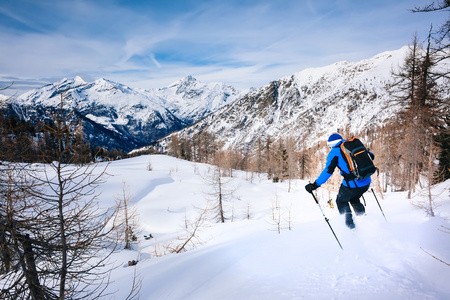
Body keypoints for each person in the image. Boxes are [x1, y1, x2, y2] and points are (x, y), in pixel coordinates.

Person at [305, 133, 374, 229]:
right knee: (354, 198)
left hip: (353, 185)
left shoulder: (334, 152)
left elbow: (328, 171)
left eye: (329, 146)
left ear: (331, 145)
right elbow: (371, 156)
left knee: (341, 201)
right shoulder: (352, 145)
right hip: (366, 180)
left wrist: (315, 185)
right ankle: (364, 220)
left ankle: (350, 228)